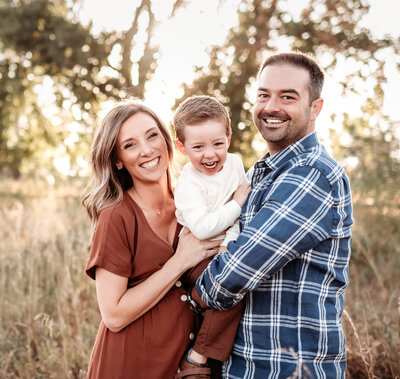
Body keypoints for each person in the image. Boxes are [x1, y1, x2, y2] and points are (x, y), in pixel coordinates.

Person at [193, 52, 354, 378]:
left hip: (288, 368)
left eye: (288, 97)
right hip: (243, 365)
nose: (271, 107)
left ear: (315, 108)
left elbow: (233, 273)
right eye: (264, 95)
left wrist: (193, 292)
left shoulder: (313, 174)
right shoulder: (259, 172)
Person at [82, 101, 220, 379]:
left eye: (152, 135)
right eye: (129, 145)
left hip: (187, 369)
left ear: (168, 142)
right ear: (118, 159)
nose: (146, 150)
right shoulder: (116, 216)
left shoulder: (199, 207)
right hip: (128, 366)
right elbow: (114, 315)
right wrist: (181, 261)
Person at [172, 96, 251, 377]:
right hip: (196, 255)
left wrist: (230, 243)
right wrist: (235, 204)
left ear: (228, 137)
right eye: (198, 147)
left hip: (225, 246)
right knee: (230, 287)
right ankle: (198, 357)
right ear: (182, 148)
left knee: (238, 282)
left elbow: (240, 217)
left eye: (218, 144)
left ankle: (218, 358)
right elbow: (204, 228)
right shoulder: (188, 184)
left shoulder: (235, 164)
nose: (210, 154)